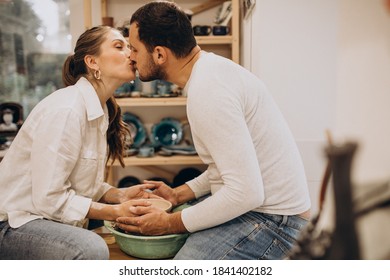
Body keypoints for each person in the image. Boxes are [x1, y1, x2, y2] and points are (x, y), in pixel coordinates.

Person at [115, 1, 311, 260]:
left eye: (135, 49)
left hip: (277, 224)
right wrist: (178, 194)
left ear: (160, 54)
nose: (130, 56)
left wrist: (169, 222)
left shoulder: (209, 91)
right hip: (272, 214)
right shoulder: (211, 72)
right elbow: (231, 167)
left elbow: (245, 192)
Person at [0, 25, 157, 260]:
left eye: (129, 46)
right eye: (119, 46)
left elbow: (79, 183)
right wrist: (115, 212)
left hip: (43, 216)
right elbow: (49, 199)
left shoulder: (100, 109)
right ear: (92, 62)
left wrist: (119, 195)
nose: (130, 53)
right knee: (90, 248)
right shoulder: (67, 109)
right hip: (13, 224)